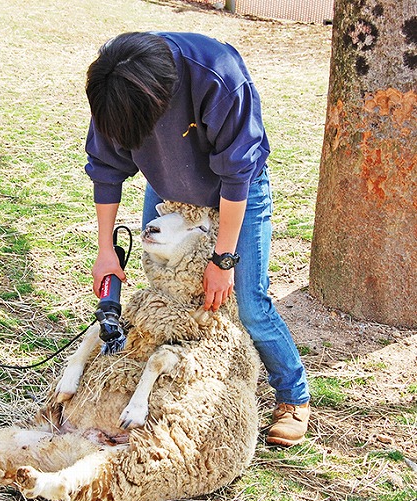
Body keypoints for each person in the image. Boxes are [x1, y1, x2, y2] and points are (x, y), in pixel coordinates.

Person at [84, 32, 310, 446]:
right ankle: (171, 381)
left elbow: (237, 172)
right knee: (167, 294)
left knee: (250, 303)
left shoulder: (216, 75)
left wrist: (223, 259)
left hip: (236, 189)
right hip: (168, 187)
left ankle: (293, 397)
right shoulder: (115, 85)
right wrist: (104, 251)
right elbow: (105, 168)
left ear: (163, 96)